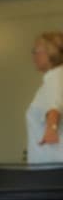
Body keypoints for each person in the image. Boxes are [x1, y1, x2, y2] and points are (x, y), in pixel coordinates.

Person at [26, 31, 63, 163]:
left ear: (50, 53)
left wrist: (51, 129)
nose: (33, 55)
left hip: (50, 168)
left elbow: (54, 108)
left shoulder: (55, 79)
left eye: (36, 50)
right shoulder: (57, 77)